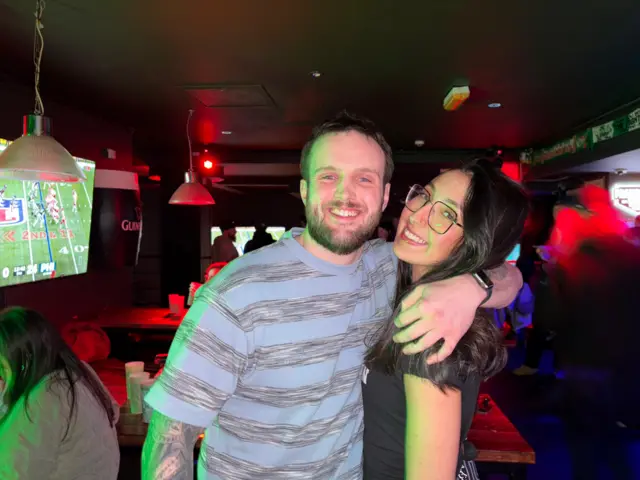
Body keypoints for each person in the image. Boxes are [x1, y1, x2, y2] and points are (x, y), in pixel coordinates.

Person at [142, 112, 522, 479]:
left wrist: (471, 287)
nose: (345, 195)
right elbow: (170, 435)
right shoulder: (238, 294)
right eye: (328, 177)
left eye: (364, 179)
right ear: (304, 191)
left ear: (387, 195)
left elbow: (507, 273)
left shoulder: (391, 266)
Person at [362, 160, 528, 480]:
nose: (418, 214)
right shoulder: (407, 290)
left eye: (448, 214)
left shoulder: (429, 331)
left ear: (474, 242)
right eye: (424, 195)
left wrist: (473, 285)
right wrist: (474, 284)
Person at [0, 307, 120, 479]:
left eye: (2, 367)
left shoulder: (46, 398)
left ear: (24, 362)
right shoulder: (79, 372)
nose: (2, 375)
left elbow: (14, 471)